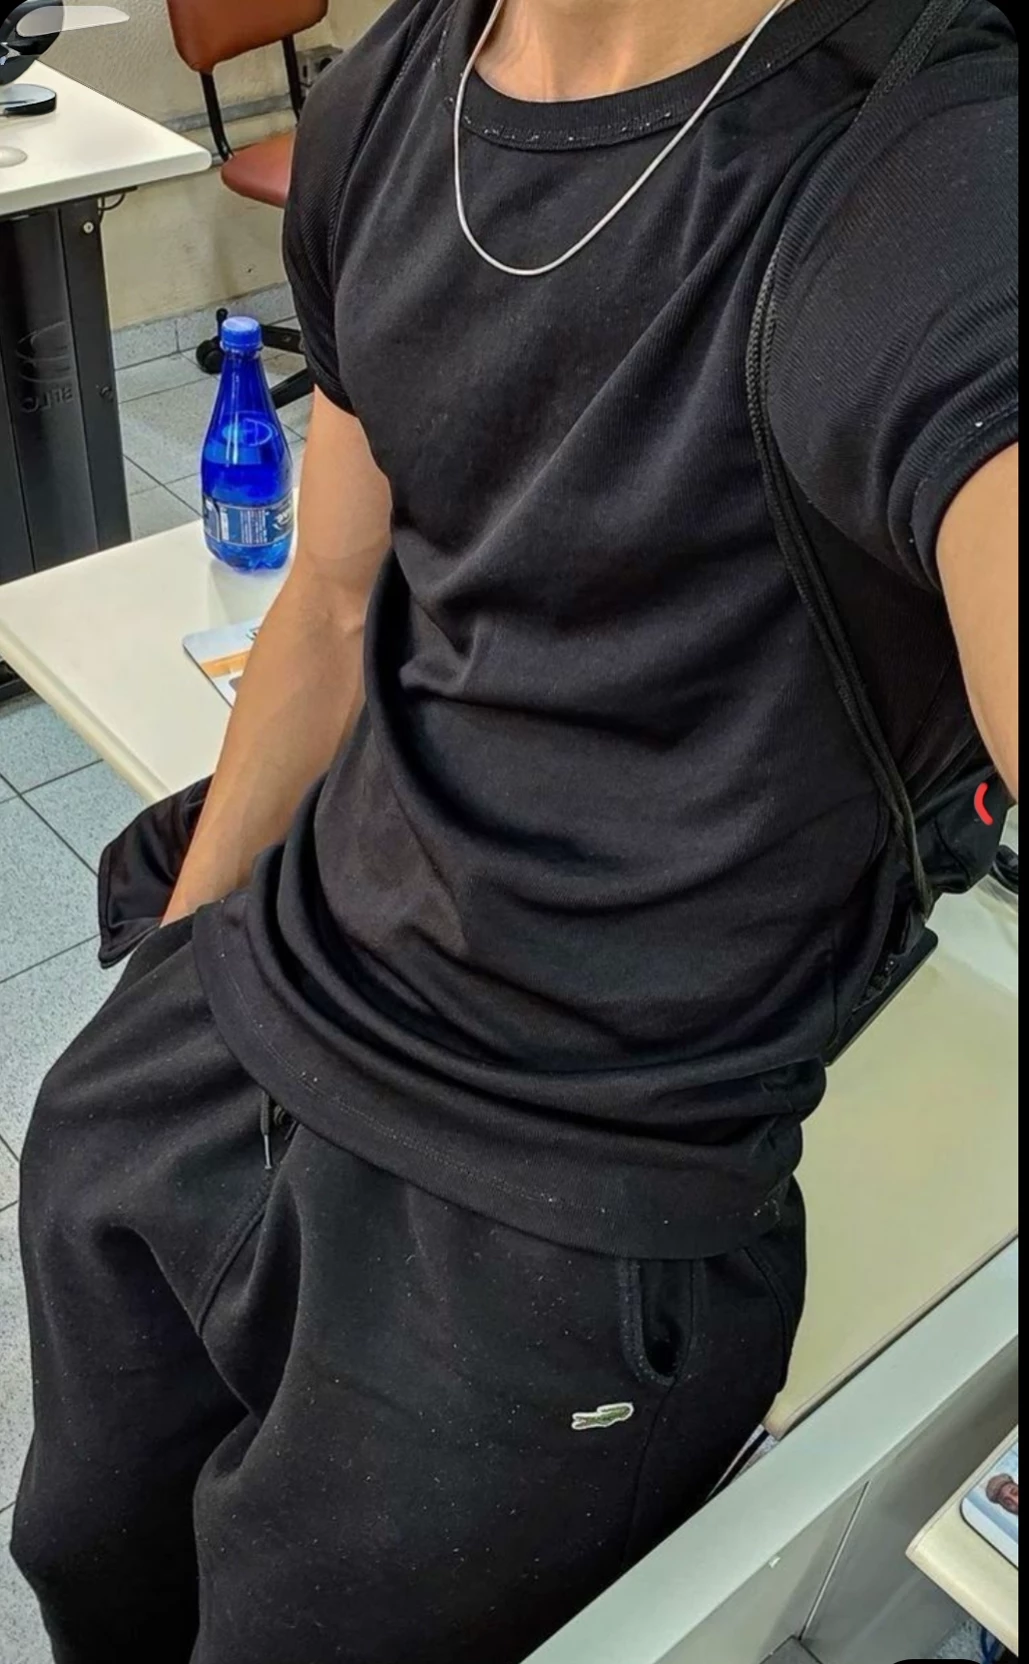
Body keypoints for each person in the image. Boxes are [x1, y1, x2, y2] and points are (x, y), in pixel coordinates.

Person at [11, 2, 1018, 1661]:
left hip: (545, 1222)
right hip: (223, 1046)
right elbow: (334, 600)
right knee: (91, 1572)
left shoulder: (929, 181)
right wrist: (175, 967)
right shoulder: (399, 90)